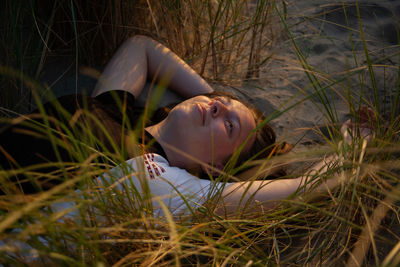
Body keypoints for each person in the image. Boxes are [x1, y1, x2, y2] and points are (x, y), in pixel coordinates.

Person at [0, 35, 340, 216]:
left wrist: (356, 145)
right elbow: (143, 47)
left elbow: (306, 188)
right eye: (221, 104)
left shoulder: (165, 182)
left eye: (231, 127)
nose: (218, 107)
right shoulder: (120, 111)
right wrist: (218, 102)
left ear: (217, 167)